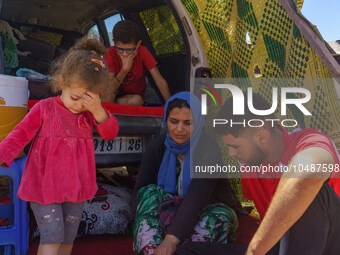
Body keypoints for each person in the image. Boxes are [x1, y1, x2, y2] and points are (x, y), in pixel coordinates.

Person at [177, 92, 340, 255]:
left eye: (235, 146)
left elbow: (309, 171)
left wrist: (256, 250)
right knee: (188, 252)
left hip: (328, 247)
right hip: (278, 248)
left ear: (261, 136)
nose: (231, 153)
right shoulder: (249, 165)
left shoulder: (308, 140)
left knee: (308, 189)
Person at [0, 38, 119, 255]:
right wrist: (2, 154)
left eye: (87, 100)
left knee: (68, 236)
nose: (79, 105)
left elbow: (110, 133)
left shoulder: (89, 114)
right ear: (62, 82)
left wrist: (98, 110)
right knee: (53, 234)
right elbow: (20, 134)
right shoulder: (45, 108)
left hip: (76, 187)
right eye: (75, 97)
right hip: (44, 186)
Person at [132, 91, 241, 255]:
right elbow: (140, 190)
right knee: (148, 193)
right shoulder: (158, 146)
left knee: (220, 216)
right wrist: (143, 219)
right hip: (168, 210)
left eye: (188, 123)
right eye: (173, 121)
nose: (179, 129)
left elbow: (197, 198)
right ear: (166, 120)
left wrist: (170, 240)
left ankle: (185, 250)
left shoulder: (209, 150)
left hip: (204, 209)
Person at [104, 20, 171, 105]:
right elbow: (108, 90)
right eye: (120, 49)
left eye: (129, 50)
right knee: (106, 98)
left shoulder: (142, 51)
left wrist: (170, 104)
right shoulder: (110, 53)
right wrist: (125, 69)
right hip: (116, 95)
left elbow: (159, 80)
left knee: (136, 100)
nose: (125, 54)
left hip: (136, 97)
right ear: (114, 42)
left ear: (138, 44)